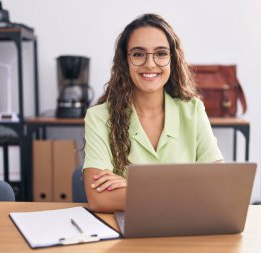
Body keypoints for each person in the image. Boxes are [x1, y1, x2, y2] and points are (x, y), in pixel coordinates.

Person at [83, 13, 223, 213]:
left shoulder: (193, 110)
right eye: (138, 54)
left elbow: (217, 188)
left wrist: (132, 188)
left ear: (172, 60)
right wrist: (187, 190)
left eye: (160, 53)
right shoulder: (98, 117)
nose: (150, 64)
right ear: (126, 60)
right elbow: (99, 199)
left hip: (186, 229)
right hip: (125, 234)